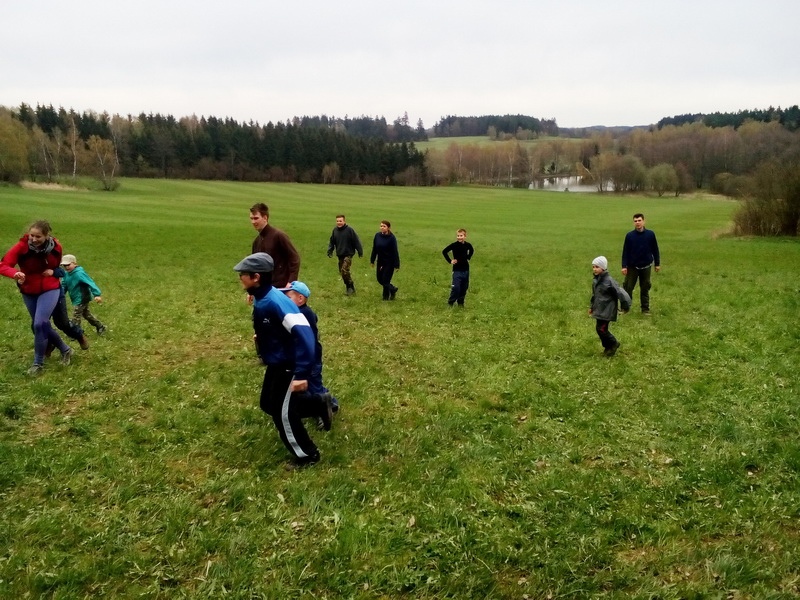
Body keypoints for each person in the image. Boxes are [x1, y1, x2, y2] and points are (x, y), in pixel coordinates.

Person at [234, 252, 333, 469]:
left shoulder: (276, 303)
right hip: (277, 361)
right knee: (268, 404)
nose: (240, 277)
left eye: (243, 274)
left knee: (283, 414)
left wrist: (302, 374)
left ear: (256, 277)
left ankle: (308, 455)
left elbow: (306, 336)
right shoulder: (264, 295)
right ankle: (318, 404)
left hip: (290, 365)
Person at [0, 220, 74, 375]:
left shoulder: (56, 247)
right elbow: (3, 265)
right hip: (29, 289)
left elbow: (57, 267)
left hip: (50, 287)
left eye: (38, 236)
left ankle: (38, 363)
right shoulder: (21, 247)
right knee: (40, 325)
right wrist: (15, 273)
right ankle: (65, 349)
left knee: (40, 323)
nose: (33, 239)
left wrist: (53, 272)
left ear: (47, 236)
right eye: (31, 235)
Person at [280, 280, 339, 421]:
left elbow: (306, 340)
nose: (285, 301)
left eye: (288, 298)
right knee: (309, 385)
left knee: (314, 385)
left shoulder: (304, 314)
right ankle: (331, 402)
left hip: (311, 358)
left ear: (300, 298)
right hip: (302, 357)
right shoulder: (296, 312)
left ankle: (323, 411)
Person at [250, 203, 300, 288]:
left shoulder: (278, 236)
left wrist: (291, 282)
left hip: (281, 287)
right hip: (264, 288)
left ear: (265, 218)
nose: (253, 222)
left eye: (256, 218)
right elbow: (255, 267)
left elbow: (294, 258)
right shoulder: (256, 242)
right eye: (251, 218)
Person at [589, 256, 631, 357]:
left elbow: (621, 293)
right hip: (599, 309)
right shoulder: (596, 281)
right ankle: (608, 347)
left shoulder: (609, 281)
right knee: (600, 329)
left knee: (601, 329)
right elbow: (595, 295)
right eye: (593, 267)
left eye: (597, 267)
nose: (594, 269)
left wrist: (625, 306)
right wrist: (592, 307)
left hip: (607, 310)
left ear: (603, 268)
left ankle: (613, 343)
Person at [621, 213, 661, 315]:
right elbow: (625, 251)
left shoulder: (650, 234)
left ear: (644, 221)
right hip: (632, 266)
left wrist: (657, 263)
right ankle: (625, 309)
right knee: (628, 287)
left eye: (639, 220)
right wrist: (624, 266)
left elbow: (655, 249)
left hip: (646, 266)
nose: (637, 223)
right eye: (635, 221)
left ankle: (645, 309)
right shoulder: (629, 236)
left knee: (645, 288)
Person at [60, 254, 106, 336]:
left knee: (76, 315)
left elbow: (90, 282)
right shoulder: (66, 274)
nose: (66, 267)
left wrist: (97, 294)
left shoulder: (79, 273)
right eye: (64, 266)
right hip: (75, 298)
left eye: (68, 265)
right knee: (86, 315)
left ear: (75, 263)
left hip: (82, 297)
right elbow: (64, 285)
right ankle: (100, 326)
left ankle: (75, 333)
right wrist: (60, 295)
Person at [327, 215, 363, 295]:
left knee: (344, 270)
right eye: (337, 221)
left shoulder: (349, 230)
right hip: (340, 254)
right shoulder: (335, 231)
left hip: (348, 254)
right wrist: (330, 250)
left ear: (344, 221)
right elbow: (332, 241)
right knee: (342, 272)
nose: (339, 223)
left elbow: (356, 240)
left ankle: (350, 286)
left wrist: (360, 251)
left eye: (340, 221)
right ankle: (349, 286)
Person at [441, 228, 474, 307]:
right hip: (457, 270)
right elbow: (444, 251)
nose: (459, 237)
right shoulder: (454, 245)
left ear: (465, 236)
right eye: (458, 236)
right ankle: (451, 302)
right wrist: (450, 261)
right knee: (456, 287)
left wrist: (468, 257)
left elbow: (472, 250)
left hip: (466, 270)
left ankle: (461, 302)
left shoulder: (467, 245)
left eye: (461, 236)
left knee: (464, 287)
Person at [370, 220, 400, 301]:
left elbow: (395, 251)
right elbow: (374, 249)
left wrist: (397, 264)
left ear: (388, 228)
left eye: (384, 226)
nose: (382, 228)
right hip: (380, 261)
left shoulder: (391, 238)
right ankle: (393, 289)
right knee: (380, 279)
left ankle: (385, 298)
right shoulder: (377, 236)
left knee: (385, 280)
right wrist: (372, 260)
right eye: (381, 226)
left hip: (389, 262)